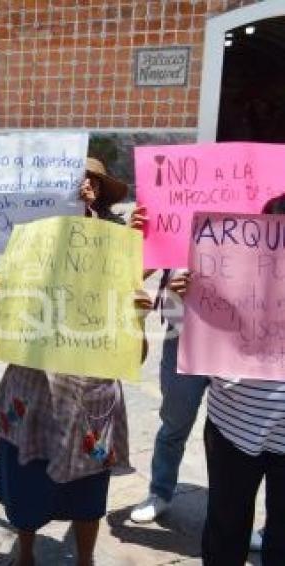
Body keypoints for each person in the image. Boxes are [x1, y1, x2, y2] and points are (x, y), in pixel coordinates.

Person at [0, 161, 149, 566]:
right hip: (33, 390)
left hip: (89, 395)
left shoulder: (117, 250)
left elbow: (136, 352)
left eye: (88, 184)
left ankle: (86, 558)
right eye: (72, 185)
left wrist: (138, 316)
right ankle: (25, 553)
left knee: (89, 491)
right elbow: (4, 329)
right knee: (26, 484)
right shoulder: (29, 248)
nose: (81, 191)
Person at [162, 194, 285, 564]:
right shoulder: (228, 262)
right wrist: (176, 298)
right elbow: (179, 330)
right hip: (233, 423)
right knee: (225, 530)